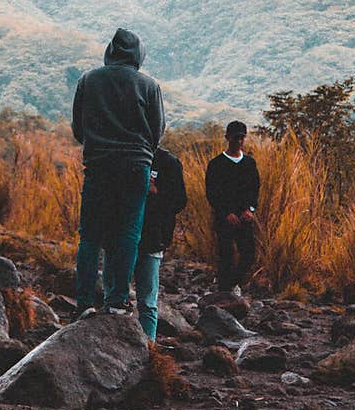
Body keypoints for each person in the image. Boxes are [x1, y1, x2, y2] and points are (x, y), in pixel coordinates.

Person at [71, 27, 165, 319]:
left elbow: (78, 127)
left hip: (99, 165)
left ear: (110, 52)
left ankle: (85, 303)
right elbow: (157, 130)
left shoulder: (89, 80)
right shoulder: (149, 86)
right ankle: (117, 300)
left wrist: (98, 143)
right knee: (128, 234)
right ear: (138, 55)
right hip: (136, 167)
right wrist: (141, 151)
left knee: (90, 236)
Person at [104, 145, 187, 340]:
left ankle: (149, 351)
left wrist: (155, 191)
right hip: (118, 240)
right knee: (113, 299)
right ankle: (110, 345)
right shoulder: (120, 157)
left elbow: (179, 201)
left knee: (148, 302)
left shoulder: (169, 162)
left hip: (152, 239)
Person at [205, 121, 260, 292]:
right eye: (236, 138)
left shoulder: (250, 163)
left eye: (242, 138)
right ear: (227, 137)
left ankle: (231, 285)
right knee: (226, 255)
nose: (239, 141)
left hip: (244, 217)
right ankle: (223, 291)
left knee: (249, 254)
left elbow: (255, 189)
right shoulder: (216, 164)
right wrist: (225, 213)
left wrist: (250, 210)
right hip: (224, 219)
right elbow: (212, 192)